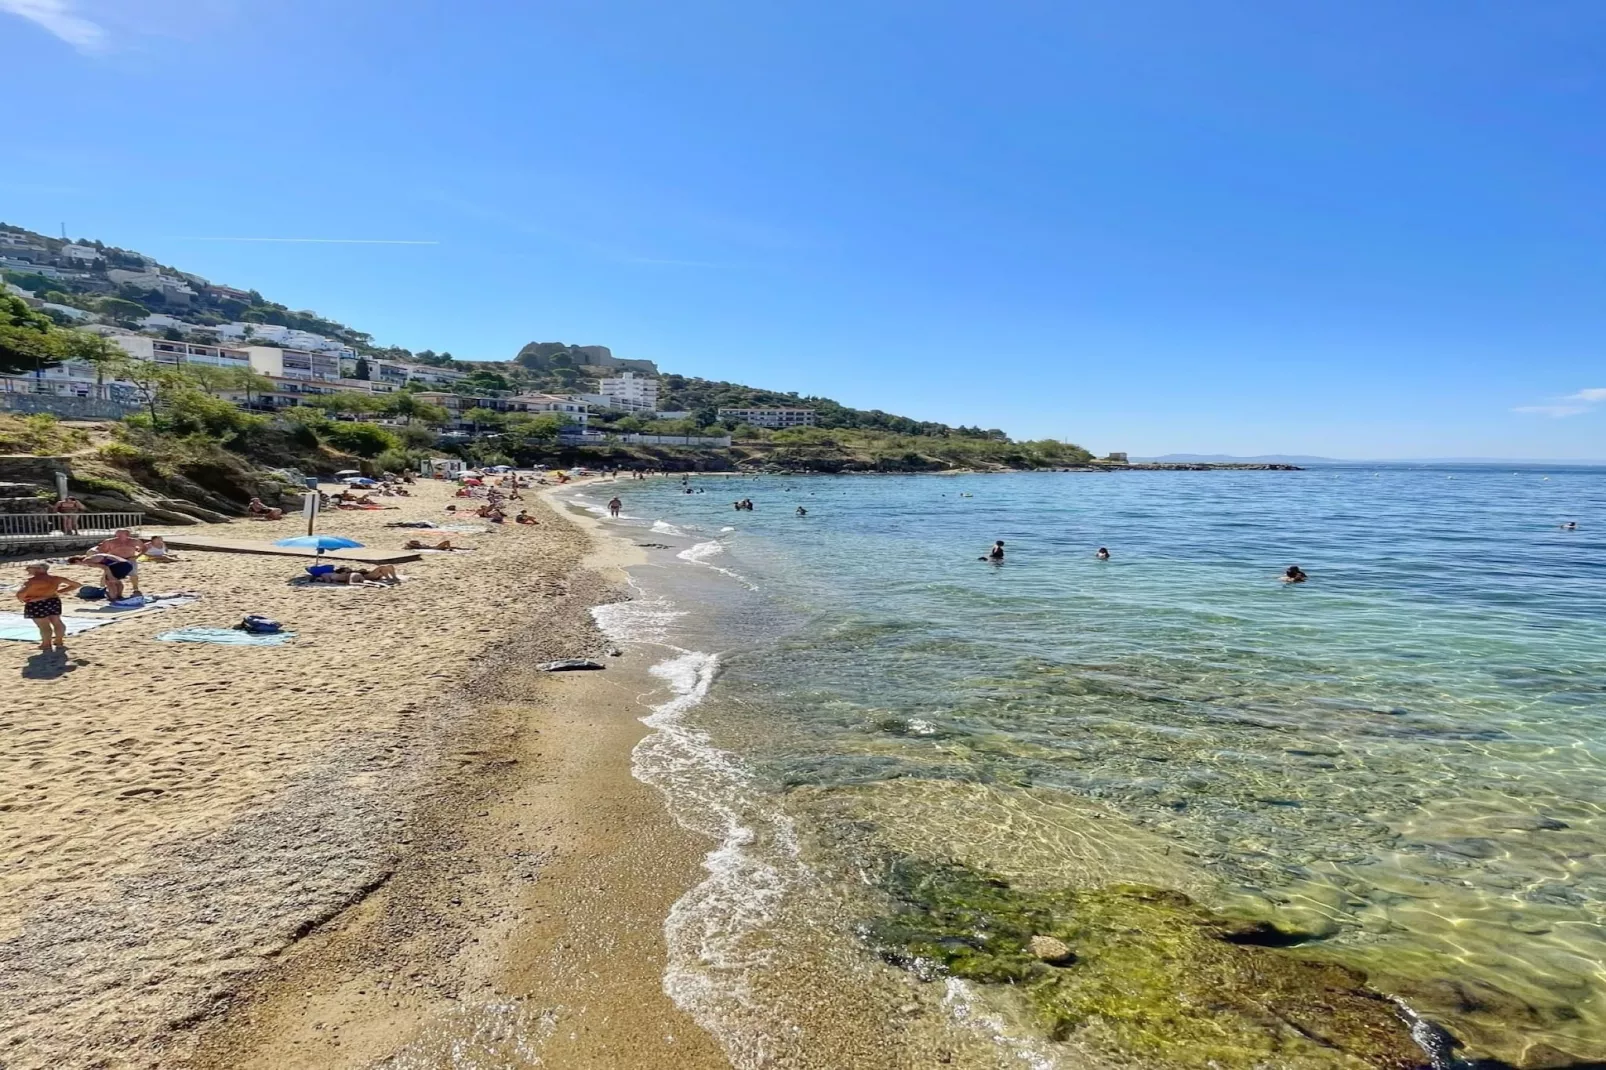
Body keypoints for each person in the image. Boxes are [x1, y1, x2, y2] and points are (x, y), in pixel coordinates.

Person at [16, 562, 81, 652]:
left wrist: (25, 599)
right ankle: (59, 641)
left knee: (43, 625)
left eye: (30, 567)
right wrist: (59, 592)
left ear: (39, 569)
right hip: (53, 600)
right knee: (57, 621)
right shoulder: (56, 579)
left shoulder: (31, 581)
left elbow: (21, 593)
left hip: (36, 603)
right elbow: (77, 585)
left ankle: (46, 644)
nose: (28, 569)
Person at [68, 552, 140, 600]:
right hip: (126, 564)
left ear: (77, 561)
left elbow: (105, 567)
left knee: (109, 582)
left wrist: (110, 576)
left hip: (118, 565)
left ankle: (114, 598)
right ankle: (119, 595)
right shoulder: (91, 557)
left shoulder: (87, 561)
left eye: (76, 564)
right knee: (116, 581)